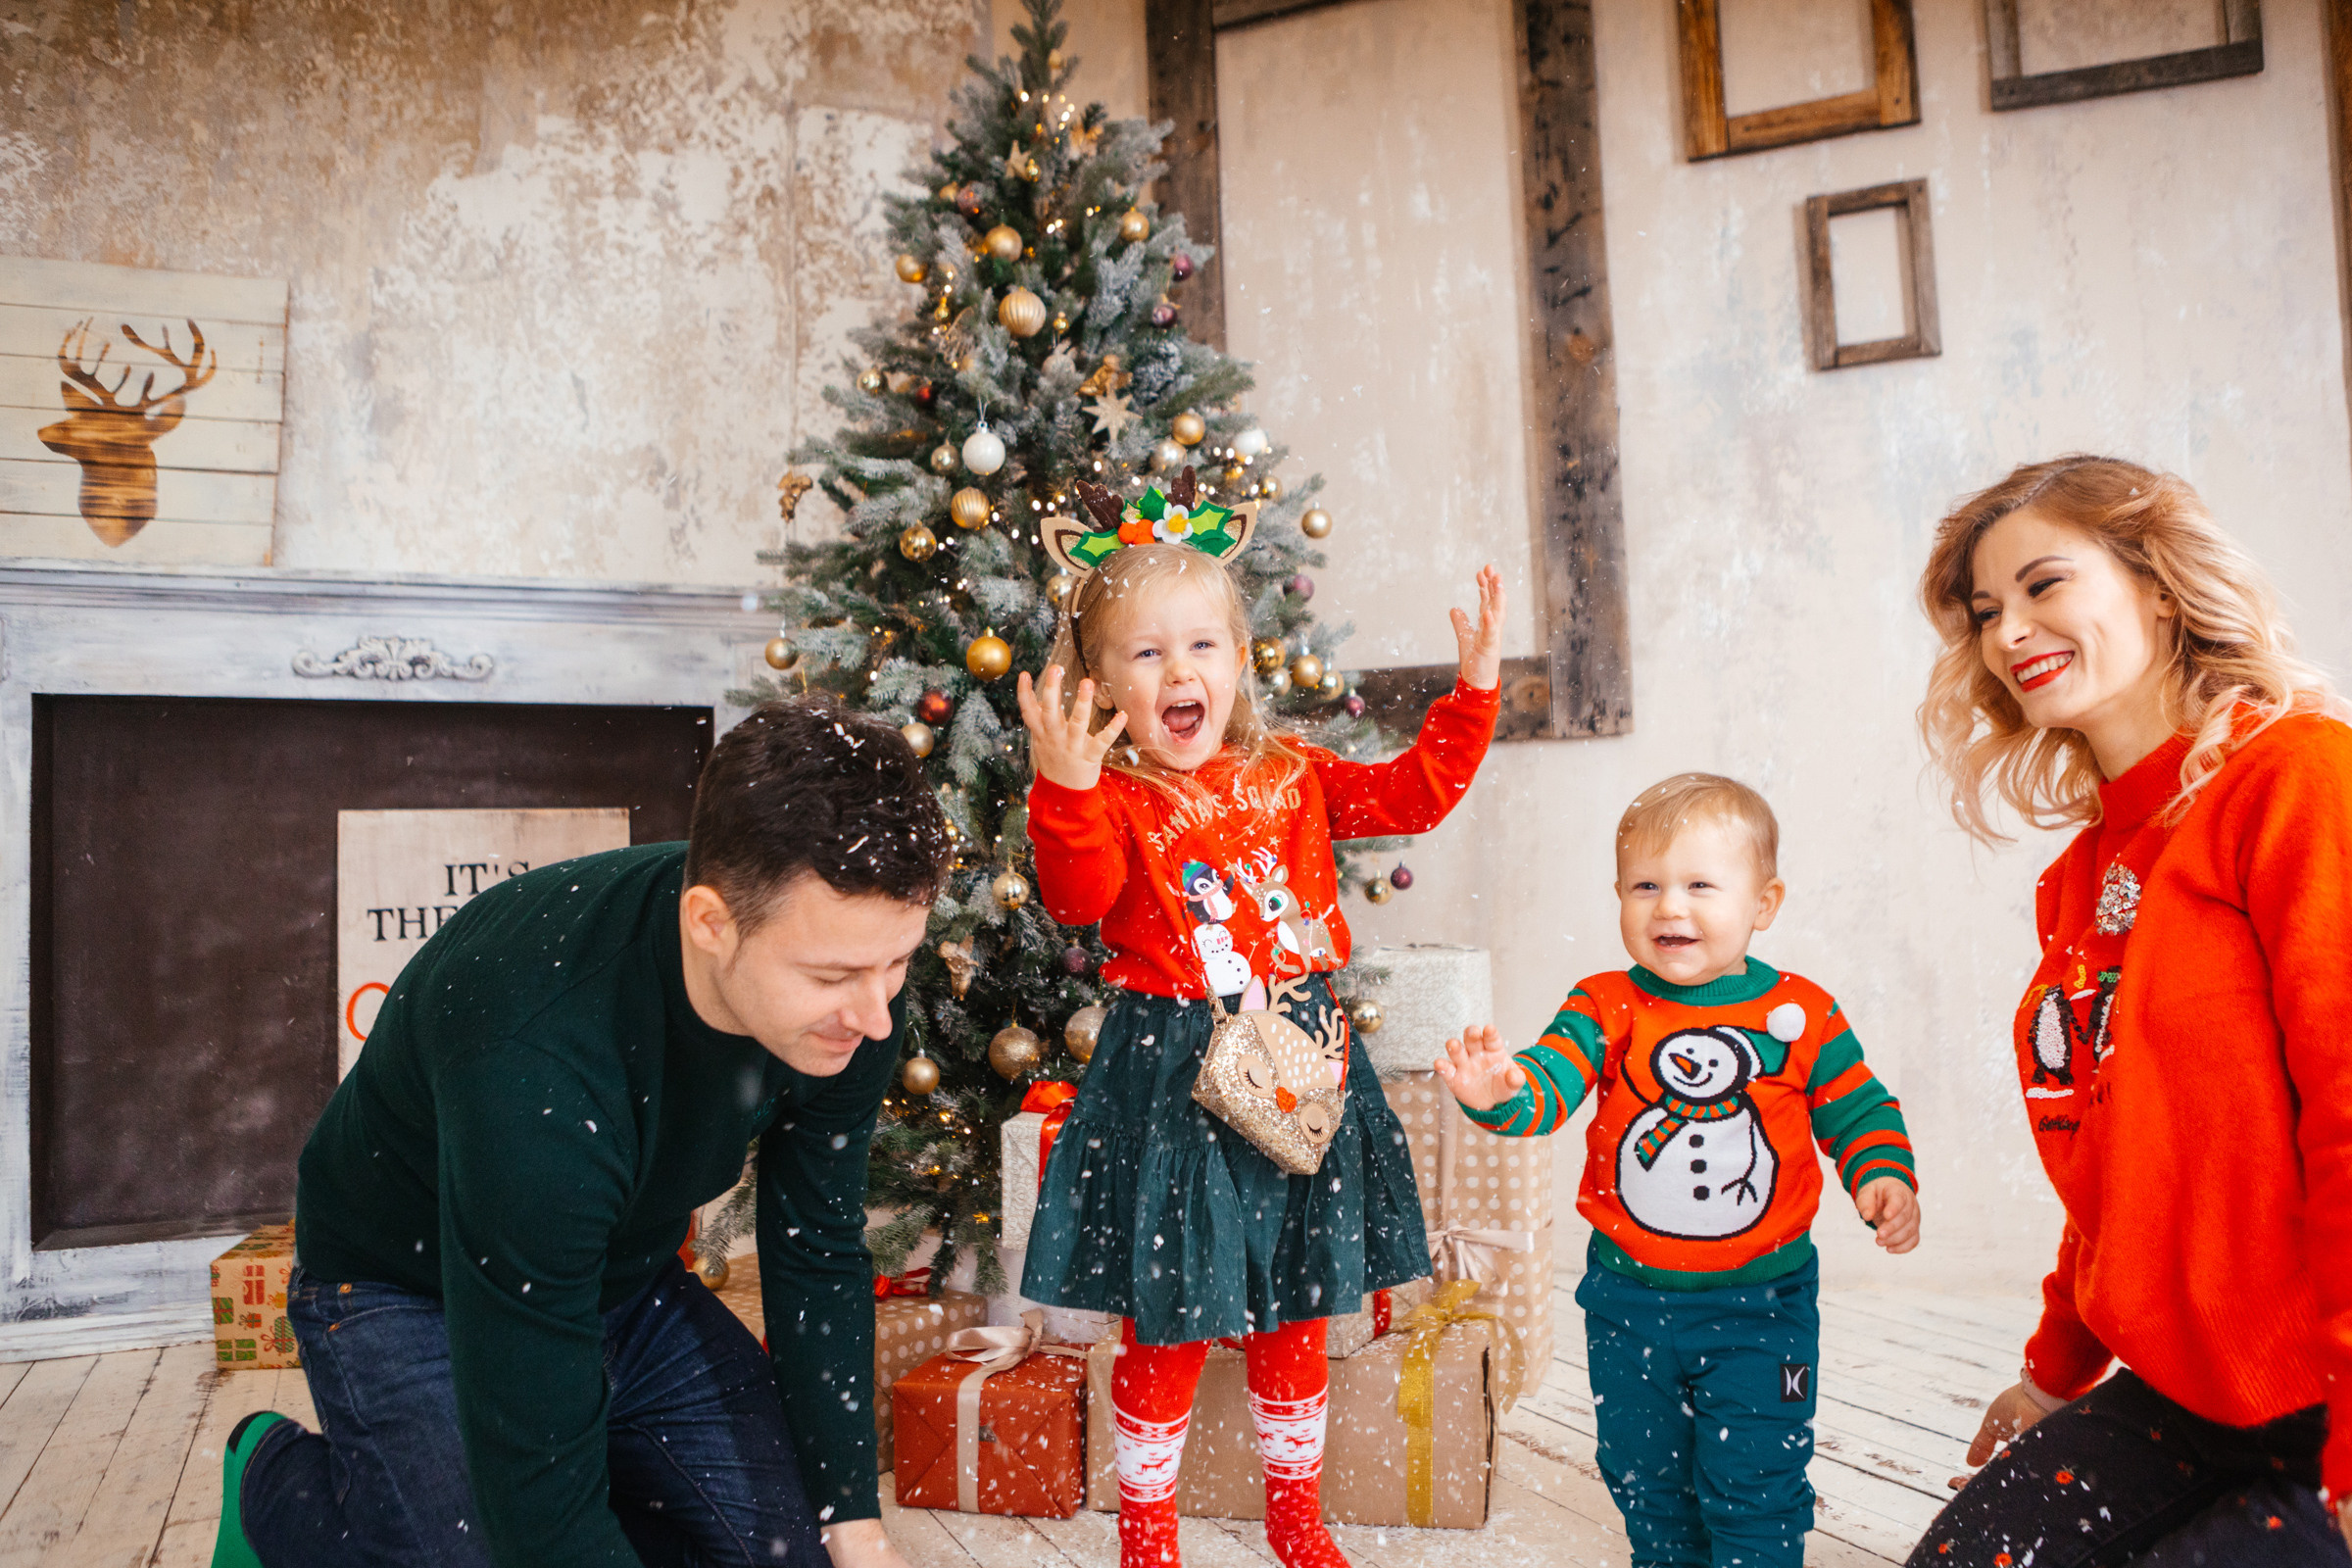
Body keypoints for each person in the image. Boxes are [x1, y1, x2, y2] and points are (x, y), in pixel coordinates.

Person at [214, 699, 952, 1568]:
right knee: (491, 1543)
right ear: (710, 924)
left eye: (897, 961)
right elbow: (539, 1499)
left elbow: (816, 1241)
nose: (876, 1016)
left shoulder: (851, 982)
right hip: (403, 1290)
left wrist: (853, 1523)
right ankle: (274, 1480)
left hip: (620, 1279)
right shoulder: (533, 1064)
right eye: (835, 975)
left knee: (788, 1553)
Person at [1011, 470, 1505, 1568]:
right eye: (1145, 654)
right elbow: (1080, 900)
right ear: (1099, 680)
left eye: (1201, 647)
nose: (1179, 671)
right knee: (1173, 1313)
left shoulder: (1296, 774)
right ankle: (1148, 1535)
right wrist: (1064, 786)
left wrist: (1472, 692)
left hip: (1300, 1052)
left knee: (1296, 1300)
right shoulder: (1112, 795)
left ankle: (1295, 1514)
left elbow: (1415, 792)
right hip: (1171, 1069)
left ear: (1239, 661)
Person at [1906, 455, 2352, 1566]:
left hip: (2328, 1398)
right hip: (2195, 1401)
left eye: (2045, 585)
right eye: (1986, 611)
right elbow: (2118, 1155)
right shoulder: (2082, 875)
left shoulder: (2297, 777)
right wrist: (2055, 1368)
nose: (2011, 631)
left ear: (2158, 585)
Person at [1436, 771, 1921, 1568]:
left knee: (1756, 1476)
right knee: (1643, 1477)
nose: (1669, 906)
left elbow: (1858, 1107)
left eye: (1700, 885)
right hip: (1631, 1305)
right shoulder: (1605, 1005)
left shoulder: (1801, 1014)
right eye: (1646, 886)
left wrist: (1882, 1176)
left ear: (1762, 905)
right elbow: (1550, 1081)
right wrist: (1502, 1093)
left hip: (1764, 1306)